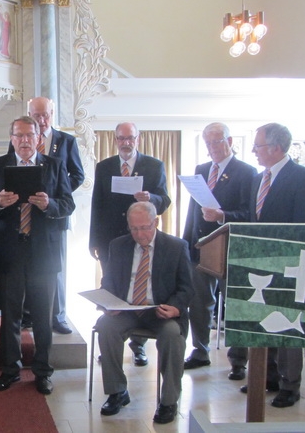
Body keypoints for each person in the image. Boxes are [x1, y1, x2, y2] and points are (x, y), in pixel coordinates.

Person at [0, 116, 75, 395]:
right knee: (10, 316)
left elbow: (68, 204)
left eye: (29, 135)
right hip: (9, 251)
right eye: (18, 135)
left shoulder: (54, 165)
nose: (24, 141)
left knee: (43, 317)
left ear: (38, 138)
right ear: (11, 138)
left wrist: (49, 204)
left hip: (43, 252)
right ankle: (10, 370)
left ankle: (43, 372)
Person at [229, 122, 305, 408]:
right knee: (263, 321)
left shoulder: (303, 178)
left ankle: (289, 385)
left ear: (276, 147)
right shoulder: (258, 179)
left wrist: (282, 256)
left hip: (289, 265)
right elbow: (253, 220)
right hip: (258, 261)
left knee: (288, 326)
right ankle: (266, 376)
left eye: (258, 146)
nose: (253, 151)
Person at [95, 202, 194, 424]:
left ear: (155, 222)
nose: (140, 234)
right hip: (127, 310)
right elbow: (108, 281)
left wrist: (175, 308)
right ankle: (117, 391)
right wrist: (108, 303)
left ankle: (168, 401)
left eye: (145, 228)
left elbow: (187, 288)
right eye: (134, 229)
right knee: (105, 326)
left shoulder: (176, 247)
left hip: (160, 310)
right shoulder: (118, 245)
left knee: (172, 335)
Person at [89, 122, 171, 366]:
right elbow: (97, 204)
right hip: (111, 241)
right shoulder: (104, 166)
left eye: (130, 138)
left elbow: (165, 200)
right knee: (112, 288)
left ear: (138, 138)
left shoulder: (154, 165)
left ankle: (138, 345)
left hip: (142, 238)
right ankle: (110, 343)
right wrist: (94, 240)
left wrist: (151, 198)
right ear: (115, 140)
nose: (126, 143)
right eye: (121, 138)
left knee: (140, 287)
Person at [182, 123, 256, 371]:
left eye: (217, 142)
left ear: (230, 141)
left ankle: (238, 360)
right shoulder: (201, 170)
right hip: (201, 246)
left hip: (231, 248)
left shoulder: (246, 172)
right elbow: (194, 210)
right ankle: (200, 351)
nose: (212, 147)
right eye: (208, 143)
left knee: (235, 304)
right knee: (199, 302)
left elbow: (249, 214)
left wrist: (222, 216)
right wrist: (187, 242)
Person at [11, 97, 85, 334]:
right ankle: (28, 315)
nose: (42, 120)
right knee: (27, 267)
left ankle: (57, 315)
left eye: (45, 115)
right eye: (37, 115)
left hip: (53, 214)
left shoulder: (66, 141)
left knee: (54, 268)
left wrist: (54, 192)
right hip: (26, 215)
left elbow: (78, 175)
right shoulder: (21, 139)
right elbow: (14, 168)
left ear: (52, 114)